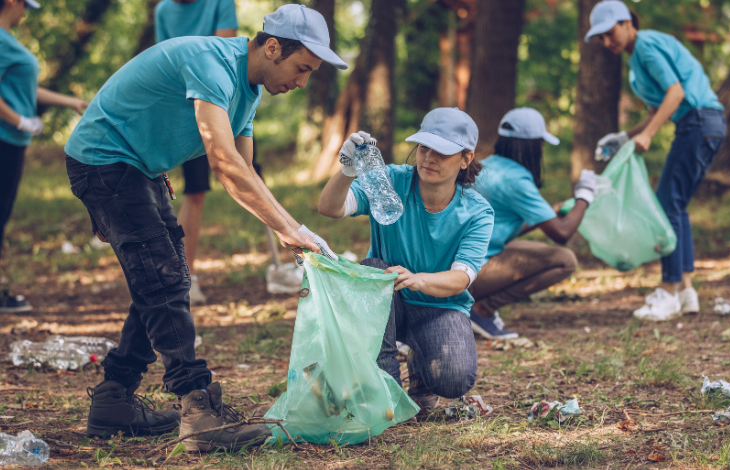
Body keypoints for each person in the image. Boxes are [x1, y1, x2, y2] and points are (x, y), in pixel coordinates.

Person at [65, 4, 343, 451]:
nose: (302, 81)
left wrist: (289, 229)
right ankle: (199, 412)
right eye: (302, 68)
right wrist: (289, 229)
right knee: (162, 279)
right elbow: (222, 160)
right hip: (104, 159)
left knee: (164, 275)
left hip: (139, 167)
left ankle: (113, 399)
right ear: (273, 47)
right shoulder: (212, 62)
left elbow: (245, 173)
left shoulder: (247, 93)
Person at [318, 108, 494, 411]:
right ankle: (385, 388)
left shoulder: (477, 212)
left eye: (442, 152)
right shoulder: (389, 181)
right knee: (372, 269)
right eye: (424, 148)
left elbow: (460, 279)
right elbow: (330, 208)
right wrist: (347, 171)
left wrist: (418, 279)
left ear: (466, 158)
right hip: (388, 299)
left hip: (439, 307)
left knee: (454, 379)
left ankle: (420, 367)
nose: (429, 158)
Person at [586, 0, 726, 321]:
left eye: (610, 33)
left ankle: (667, 291)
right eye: (602, 39)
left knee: (666, 205)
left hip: (698, 122)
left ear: (626, 23)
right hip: (704, 124)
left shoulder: (645, 46)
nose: (608, 42)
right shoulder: (637, 58)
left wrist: (648, 135)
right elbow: (656, 108)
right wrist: (626, 136)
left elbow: (675, 94)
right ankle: (687, 291)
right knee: (676, 206)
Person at [469, 108, 597, 340]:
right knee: (564, 260)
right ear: (532, 145)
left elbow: (502, 224)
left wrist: (551, 212)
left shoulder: (488, 165)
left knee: (535, 252)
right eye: (541, 144)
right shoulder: (516, 179)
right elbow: (562, 232)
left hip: (463, 260)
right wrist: (584, 197)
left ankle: (476, 309)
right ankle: (482, 309)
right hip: (472, 270)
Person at [0, 0, 89, 313]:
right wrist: (19, 120)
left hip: (12, 141)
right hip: (4, 139)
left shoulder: (8, 40)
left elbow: (26, 88)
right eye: (24, 5)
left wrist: (71, 102)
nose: (25, 12)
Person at [154, 0, 239, 304]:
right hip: (176, 106)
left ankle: (186, 276)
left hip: (211, 101)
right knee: (155, 185)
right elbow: (164, 59)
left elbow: (225, 52)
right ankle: (171, 273)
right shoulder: (164, 11)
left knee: (197, 191)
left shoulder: (219, 3)